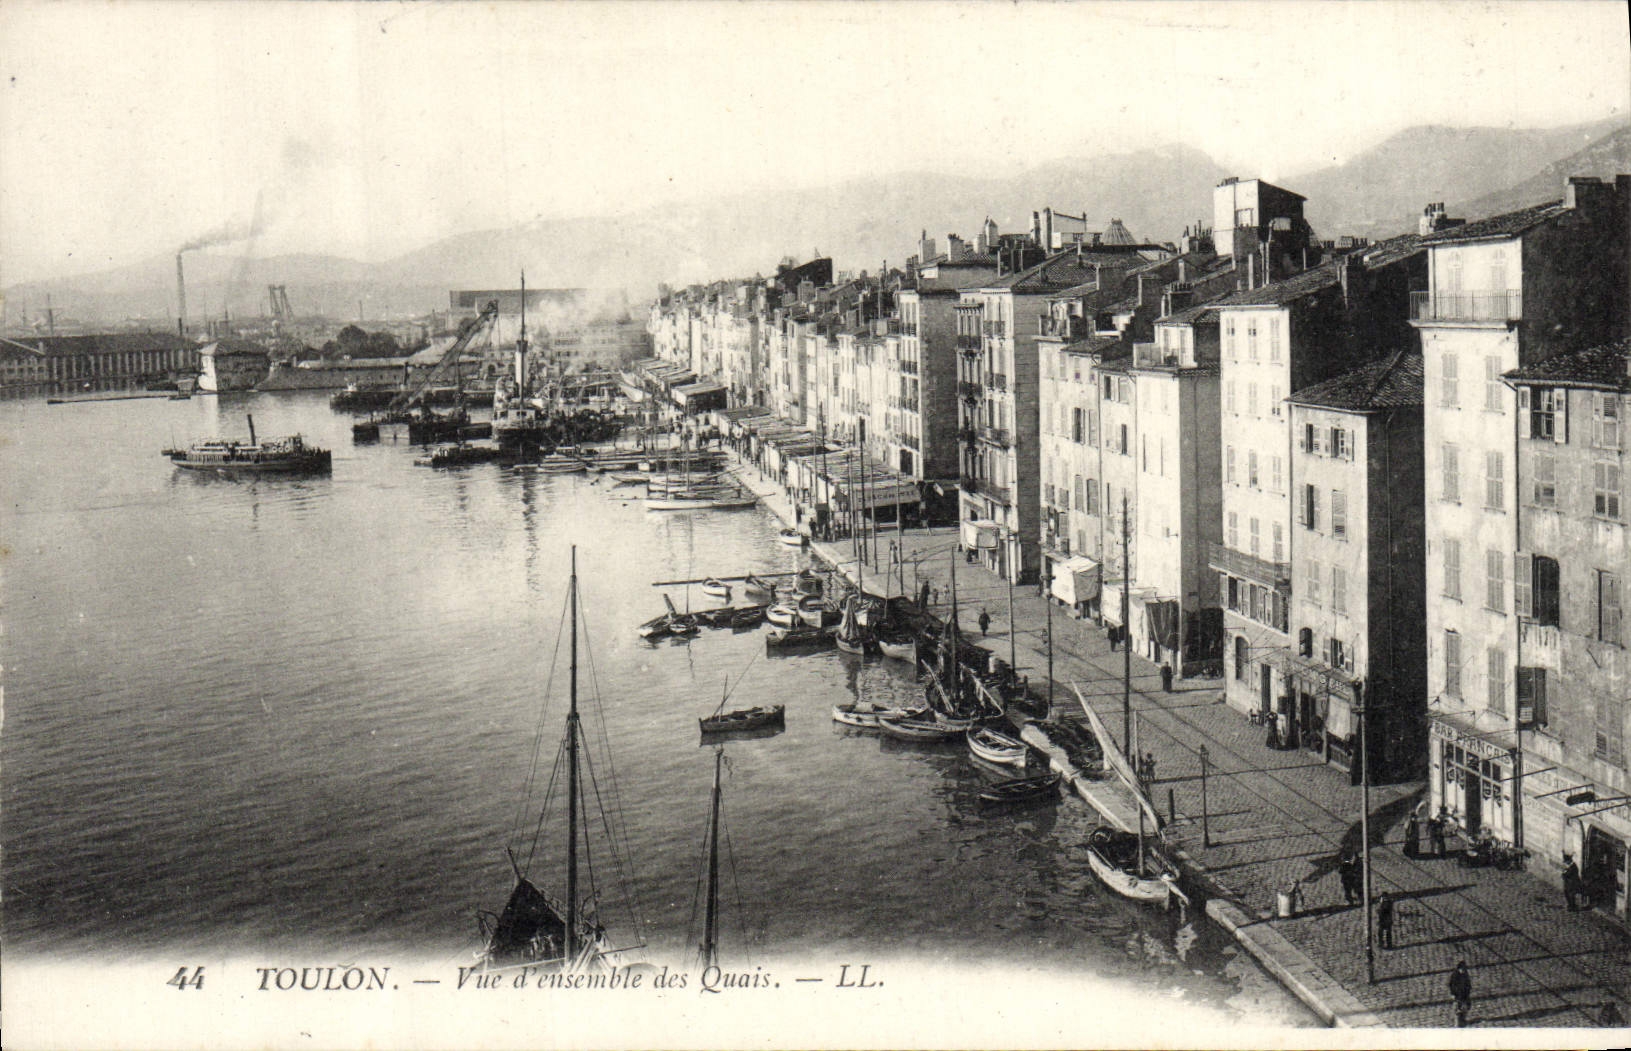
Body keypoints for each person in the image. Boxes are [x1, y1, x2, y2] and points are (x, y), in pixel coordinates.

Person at [1447, 960, 1472, 1027]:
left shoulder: (1465, 975)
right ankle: (1457, 1023)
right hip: (1457, 995)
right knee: (1457, 1009)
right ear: (1459, 969)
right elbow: (1451, 985)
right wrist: (1453, 994)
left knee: (1465, 1008)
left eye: (1464, 969)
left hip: (1464, 995)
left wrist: (1468, 992)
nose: (1463, 971)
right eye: (1462, 969)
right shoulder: (1455, 975)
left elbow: (1468, 984)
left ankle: (1463, 1020)